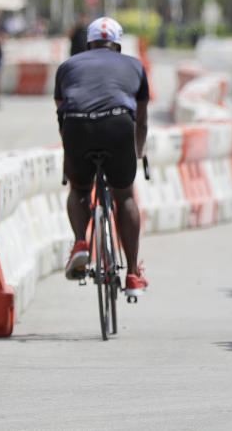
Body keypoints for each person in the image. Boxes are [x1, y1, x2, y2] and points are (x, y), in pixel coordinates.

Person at [54, 17, 150, 297]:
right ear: (118, 45)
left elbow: (62, 115)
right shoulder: (134, 66)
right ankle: (132, 274)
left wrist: (70, 156)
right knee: (125, 197)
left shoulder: (68, 66)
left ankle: (80, 243)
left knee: (80, 188)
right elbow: (140, 120)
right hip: (118, 125)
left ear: (87, 44)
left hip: (77, 127)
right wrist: (138, 152)